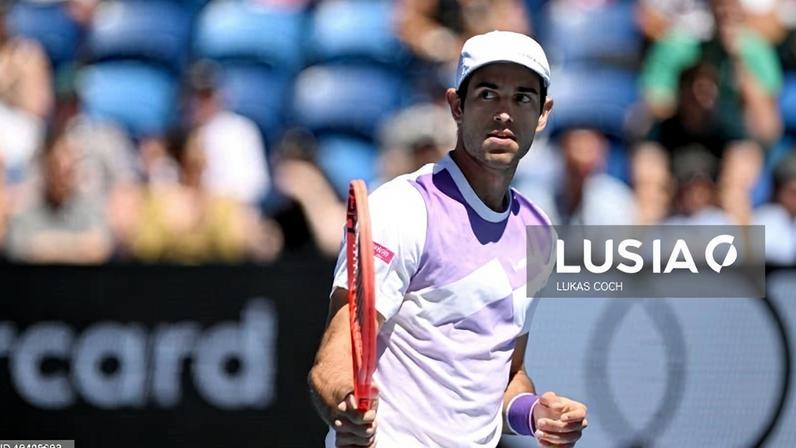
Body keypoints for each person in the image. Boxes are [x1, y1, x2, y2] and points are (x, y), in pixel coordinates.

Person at [308, 31, 588, 447]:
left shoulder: (539, 231)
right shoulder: (402, 208)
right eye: (488, 95)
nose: (505, 113)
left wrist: (534, 414)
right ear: (457, 105)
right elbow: (333, 361)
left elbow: (506, 375)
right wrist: (345, 405)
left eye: (522, 98)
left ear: (543, 114)